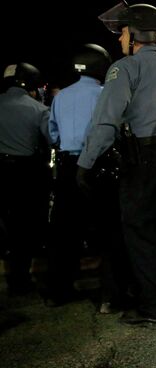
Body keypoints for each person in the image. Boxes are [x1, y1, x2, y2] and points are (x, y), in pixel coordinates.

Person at [76, 2, 156, 329]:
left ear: (136, 34)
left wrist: (85, 163)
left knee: (140, 233)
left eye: (123, 32)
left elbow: (106, 121)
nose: (119, 40)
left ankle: (152, 309)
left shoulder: (125, 68)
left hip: (143, 158)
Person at [45, 43, 113, 307]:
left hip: (66, 166)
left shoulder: (61, 96)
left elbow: (53, 134)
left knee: (63, 231)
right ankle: (108, 295)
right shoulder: (105, 94)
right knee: (107, 230)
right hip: (96, 167)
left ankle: (57, 292)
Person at [0, 62, 50, 296]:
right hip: (25, 172)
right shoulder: (38, 110)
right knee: (24, 225)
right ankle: (20, 279)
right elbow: (51, 140)